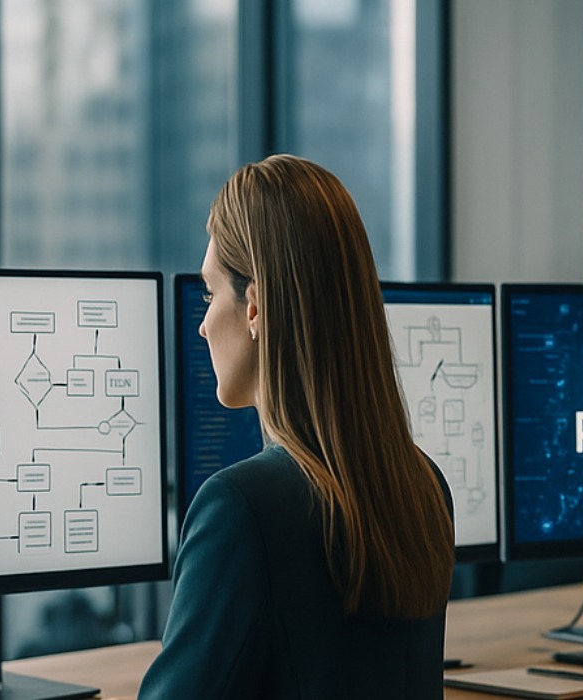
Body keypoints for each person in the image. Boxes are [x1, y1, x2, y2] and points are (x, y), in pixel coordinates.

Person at [140, 154, 456, 698]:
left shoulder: (240, 510)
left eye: (211, 293)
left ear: (256, 307)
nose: (203, 322)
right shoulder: (426, 486)